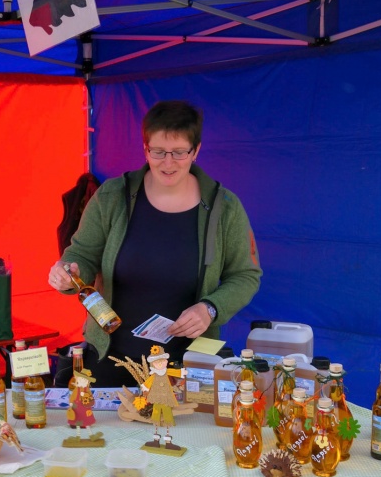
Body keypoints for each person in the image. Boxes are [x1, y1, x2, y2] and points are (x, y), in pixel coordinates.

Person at [48, 100, 261, 386]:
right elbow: (82, 254)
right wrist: (68, 273)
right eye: (158, 152)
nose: (168, 162)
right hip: (111, 359)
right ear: (145, 149)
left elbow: (246, 275)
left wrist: (210, 308)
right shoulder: (112, 196)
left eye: (179, 152)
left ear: (196, 151)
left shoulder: (224, 208)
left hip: (188, 364)